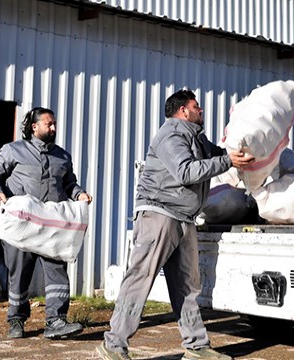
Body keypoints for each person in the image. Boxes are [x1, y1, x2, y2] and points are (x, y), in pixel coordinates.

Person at [96, 90, 255, 360]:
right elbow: (186, 172)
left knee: (188, 286)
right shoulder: (170, 135)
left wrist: (241, 152)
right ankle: (113, 344)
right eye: (196, 106)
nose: (201, 110)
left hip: (184, 218)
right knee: (140, 279)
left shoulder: (197, 139)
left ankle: (196, 346)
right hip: (159, 214)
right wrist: (227, 161)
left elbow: (219, 156)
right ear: (182, 110)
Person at [0, 107, 93, 339]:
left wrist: (79, 194)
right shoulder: (13, 151)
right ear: (34, 127)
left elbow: (69, 184)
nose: (53, 128)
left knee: (57, 273)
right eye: (48, 124)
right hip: (22, 227)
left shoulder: (62, 156)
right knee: (19, 273)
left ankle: (56, 321)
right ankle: (16, 320)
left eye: (54, 124)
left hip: (51, 227)